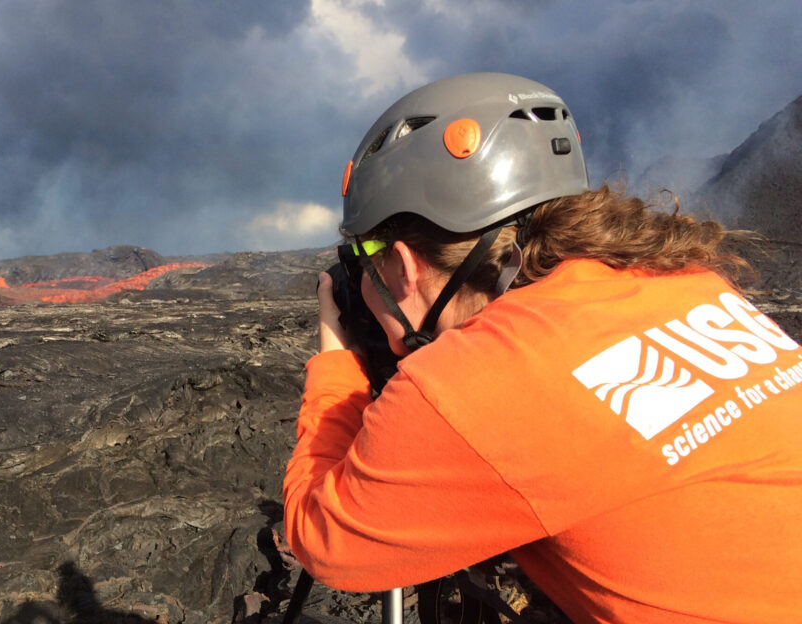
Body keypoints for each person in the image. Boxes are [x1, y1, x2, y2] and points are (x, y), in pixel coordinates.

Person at [283, 72, 802, 623]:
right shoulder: (688, 282)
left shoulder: (472, 385)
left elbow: (322, 540)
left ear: (405, 266)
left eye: (366, 256)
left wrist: (337, 363)